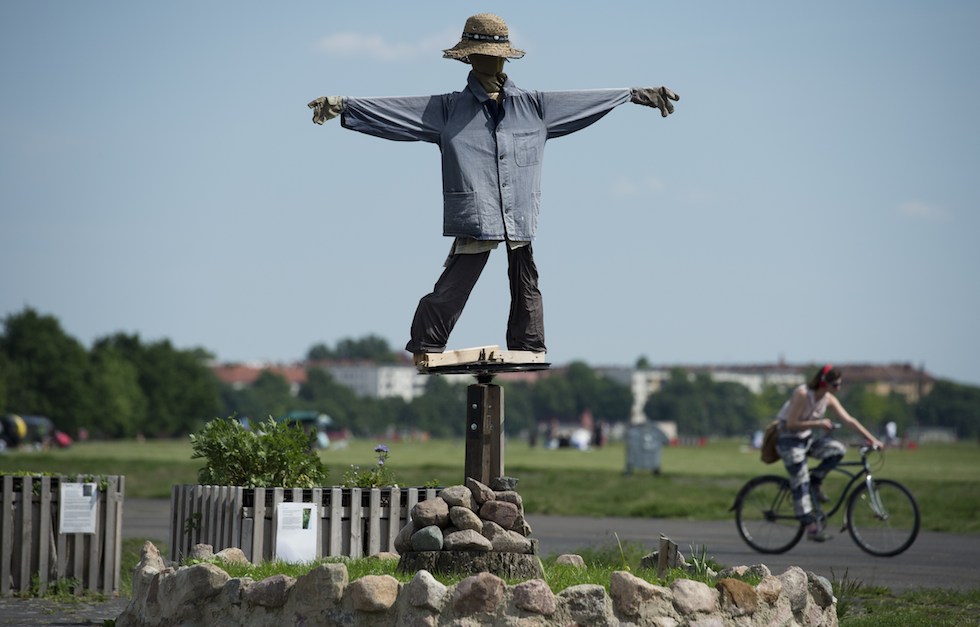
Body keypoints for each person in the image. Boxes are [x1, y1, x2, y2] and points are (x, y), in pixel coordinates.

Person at [308, 13, 679, 362]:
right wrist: (344, 106)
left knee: (525, 276)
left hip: (519, 211)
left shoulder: (535, 107)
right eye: (482, 55)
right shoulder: (448, 110)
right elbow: (396, 111)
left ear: (504, 58)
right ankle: (427, 342)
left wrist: (635, 94)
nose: (489, 61)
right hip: (475, 210)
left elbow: (587, 100)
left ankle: (529, 344)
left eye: (494, 55)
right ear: (469, 59)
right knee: (459, 278)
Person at [775, 364, 883, 542]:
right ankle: (810, 527)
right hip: (788, 440)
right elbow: (791, 424)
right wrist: (818, 424)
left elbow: (849, 420)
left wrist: (872, 440)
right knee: (801, 479)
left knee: (837, 450)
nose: (838, 388)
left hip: (805, 439)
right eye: (836, 385)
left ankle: (815, 481)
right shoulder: (803, 394)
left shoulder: (828, 398)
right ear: (824, 383)